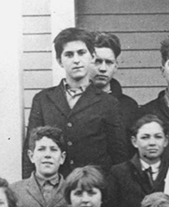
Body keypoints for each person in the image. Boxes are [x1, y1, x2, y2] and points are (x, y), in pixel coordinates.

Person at [22, 27, 127, 178]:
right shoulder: (43, 100)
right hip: (54, 191)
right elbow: (30, 152)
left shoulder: (108, 103)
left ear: (91, 57)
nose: (76, 60)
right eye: (69, 55)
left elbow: (118, 157)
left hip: (92, 192)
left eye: (81, 53)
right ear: (60, 61)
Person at [105, 114, 169, 207]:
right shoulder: (119, 173)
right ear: (134, 141)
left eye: (158, 137)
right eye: (145, 137)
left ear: (165, 141)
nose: (152, 143)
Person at [11, 126, 72, 207]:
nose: (47, 155)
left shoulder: (72, 190)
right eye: (41, 149)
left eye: (53, 150)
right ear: (31, 156)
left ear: (62, 158)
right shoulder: (15, 190)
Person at [91, 31, 140, 135]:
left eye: (109, 62)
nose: (103, 68)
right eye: (97, 61)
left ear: (116, 66)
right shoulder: (75, 101)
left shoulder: (129, 106)